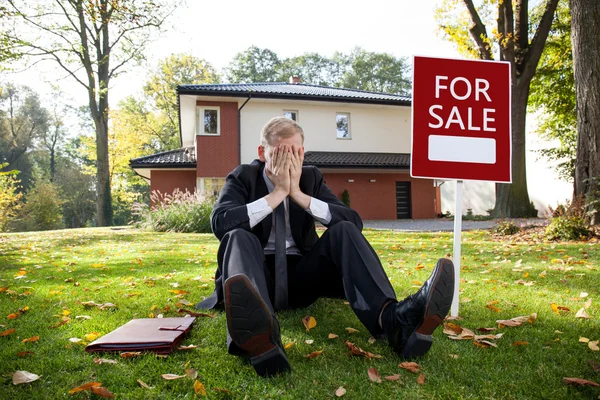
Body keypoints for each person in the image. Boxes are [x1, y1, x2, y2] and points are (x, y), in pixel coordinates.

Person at [197, 116, 454, 377]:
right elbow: (221, 223)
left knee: (343, 229)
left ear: (303, 153)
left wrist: (297, 194)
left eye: (295, 153)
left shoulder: (311, 178)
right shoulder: (243, 176)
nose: (288, 161)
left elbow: (353, 221)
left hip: (303, 277)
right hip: (256, 279)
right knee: (238, 236)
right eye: (280, 153)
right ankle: (259, 337)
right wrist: (275, 196)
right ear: (262, 153)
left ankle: (394, 320)